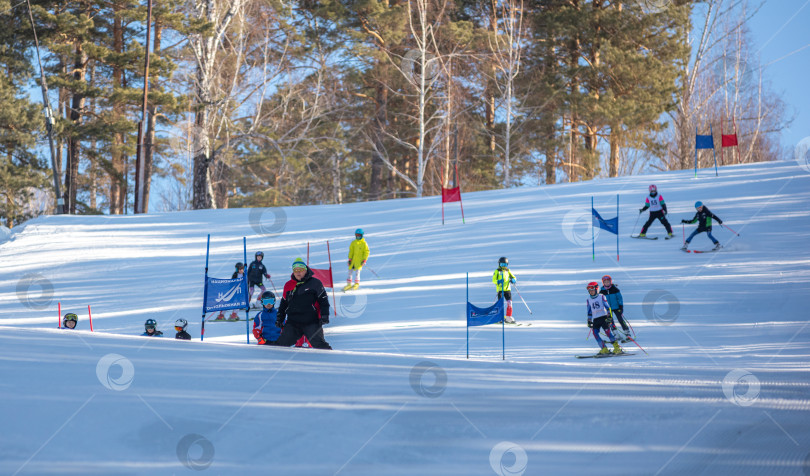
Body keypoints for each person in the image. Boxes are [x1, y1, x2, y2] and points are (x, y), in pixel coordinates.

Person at [272, 258, 332, 349]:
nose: (298, 272)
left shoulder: (315, 283)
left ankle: (331, 358)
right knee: (281, 345)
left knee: (320, 346)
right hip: (293, 322)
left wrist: (325, 315)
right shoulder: (288, 285)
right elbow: (283, 304)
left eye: (300, 270)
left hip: (311, 322)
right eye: (295, 270)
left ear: (305, 270)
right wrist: (280, 319)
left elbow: (323, 301)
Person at [586, 282, 622, 355]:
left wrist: (610, 317)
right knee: (595, 333)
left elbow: (608, 307)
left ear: (596, 289)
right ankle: (604, 349)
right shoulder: (588, 299)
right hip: (596, 319)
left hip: (604, 317)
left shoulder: (601, 296)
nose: (591, 292)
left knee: (608, 332)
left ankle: (617, 347)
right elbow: (589, 311)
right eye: (589, 291)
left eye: (592, 290)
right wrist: (589, 320)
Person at [599, 275, 630, 341]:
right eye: (605, 282)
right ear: (603, 283)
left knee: (620, 319)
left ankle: (627, 332)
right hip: (608, 309)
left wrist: (620, 307)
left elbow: (620, 298)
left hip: (616, 307)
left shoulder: (615, 289)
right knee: (610, 321)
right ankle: (616, 334)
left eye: (608, 282)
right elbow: (600, 300)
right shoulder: (602, 291)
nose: (607, 283)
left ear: (610, 282)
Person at [492, 257, 518, 324]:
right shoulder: (497, 271)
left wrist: (513, 280)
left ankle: (508, 317)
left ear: (507, 264)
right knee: (500, 304)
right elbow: (493, 280)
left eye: (505, 264)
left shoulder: (508, 271)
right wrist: (498, 281)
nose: (503, 266)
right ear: (499, 264)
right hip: (500, 290)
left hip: (507, 289)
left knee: (510, 303)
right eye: (502, 264)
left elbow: (513, 277)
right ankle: (499, 317)